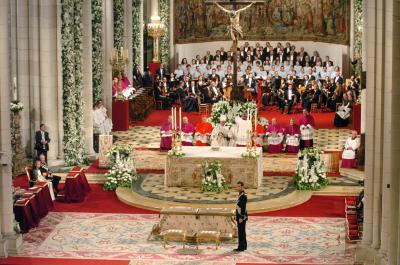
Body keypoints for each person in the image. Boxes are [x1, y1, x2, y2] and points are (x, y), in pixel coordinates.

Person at [234, 181, 248, 252]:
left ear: (242, 187)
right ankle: (244, 246)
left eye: (239, 186)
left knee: (241, 232)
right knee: (242, 231)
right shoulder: (240, 194)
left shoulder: (243, 195)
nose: (237, 187)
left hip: (241, 217)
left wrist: (241, 217)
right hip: (239, 216)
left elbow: (243, 208)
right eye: (237, 186)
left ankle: (241, 247)